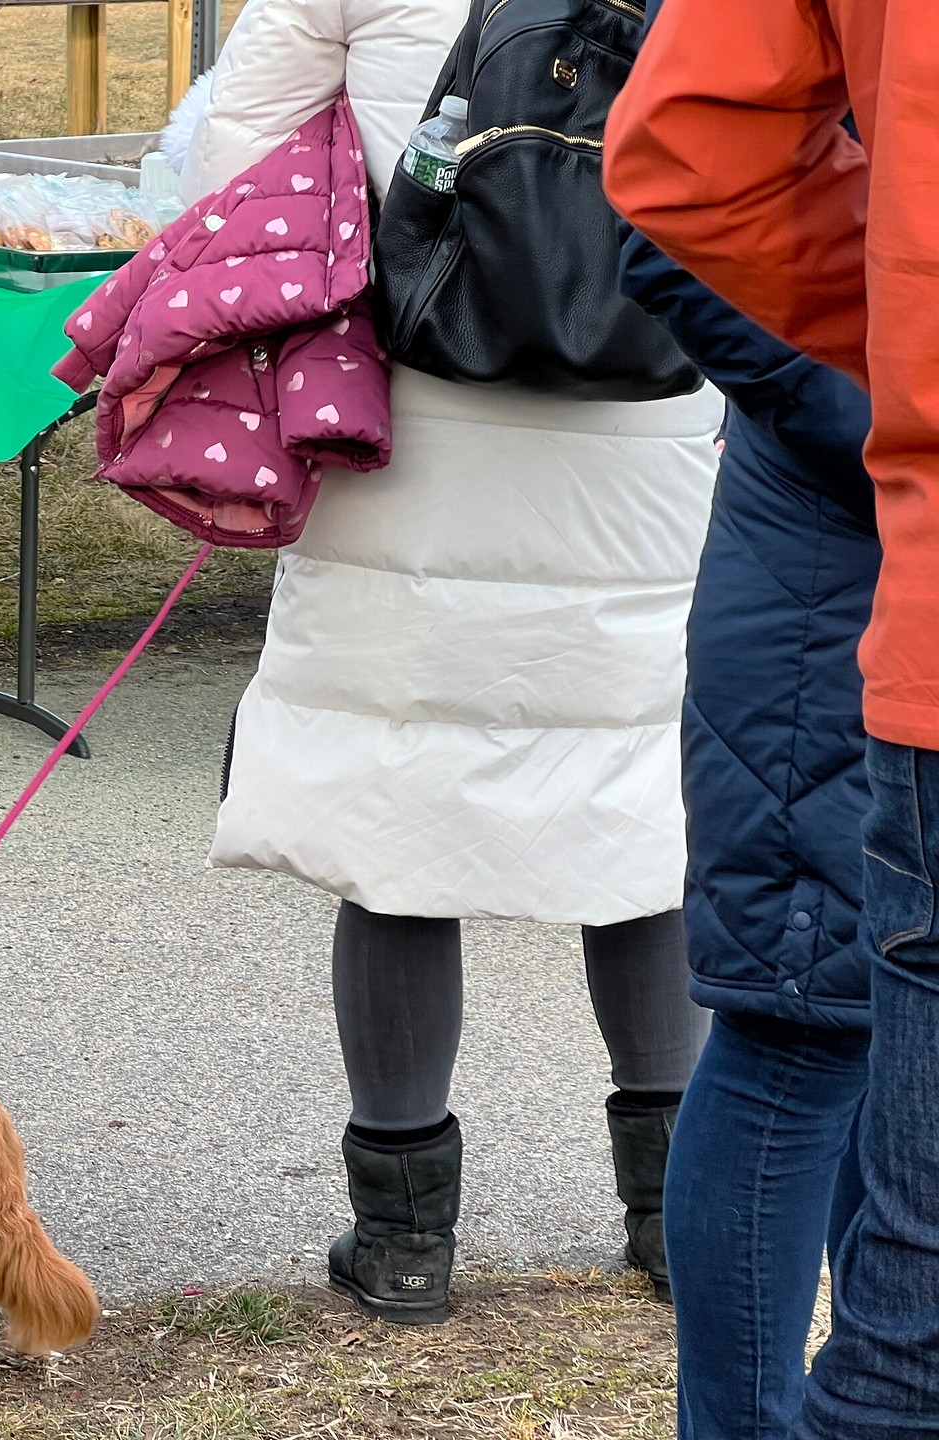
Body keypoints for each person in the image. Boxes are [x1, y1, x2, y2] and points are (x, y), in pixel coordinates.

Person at [181, 0, 722, 1325]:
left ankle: (406, 1241)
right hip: (652, 418)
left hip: (412, 404)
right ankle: (674, 1221)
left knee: (396, 819)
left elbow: (234, 147)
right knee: (643, 818)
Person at [608, 5, 939, 1440]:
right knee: (805, 1019)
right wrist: (889, 381)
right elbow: (672, 209)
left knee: (890, 1058)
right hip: (831, 545)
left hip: (868, 518)